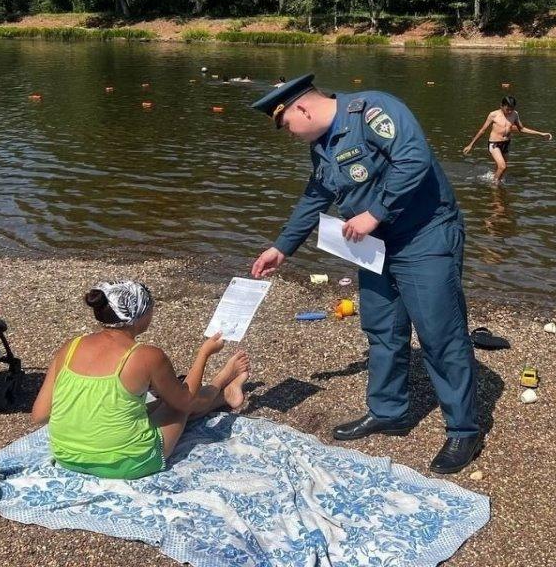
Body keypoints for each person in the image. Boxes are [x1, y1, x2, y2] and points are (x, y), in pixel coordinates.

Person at [248, 74, 481, 474]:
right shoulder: (322, 145)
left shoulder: (373, 109)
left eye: (286, 125)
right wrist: (282, 247)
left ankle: (463, 429)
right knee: (382, 327)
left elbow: (413, 158)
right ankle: (389, 412)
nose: (288, 134)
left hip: (424, 235)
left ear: (302, 108)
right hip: (376, 246)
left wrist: (375, 213)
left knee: (439, 333)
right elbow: (317, 194)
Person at [31, 280, 250, 480]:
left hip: (66, 456)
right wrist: (204, 353)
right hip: (129, 462)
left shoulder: (71, 346)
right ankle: (222, 384)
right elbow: (187, 401)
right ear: (140, 315)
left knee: (146, 404)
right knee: (178, 405)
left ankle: (225, 397)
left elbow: (39, 414)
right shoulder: (146, 355)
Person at [462, 95, 552, 184]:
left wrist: (540, 133)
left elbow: (522, 129)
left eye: (511, 109)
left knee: (502, 169)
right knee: (502, 166)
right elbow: (482, 130)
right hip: (494, 144)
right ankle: (494, 185)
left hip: (506, 144)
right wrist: (471, 145)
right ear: (501, 106)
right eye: (507, 109)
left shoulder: (515, 114)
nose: (509, 111)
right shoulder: (493, 115)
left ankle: (495, 180)